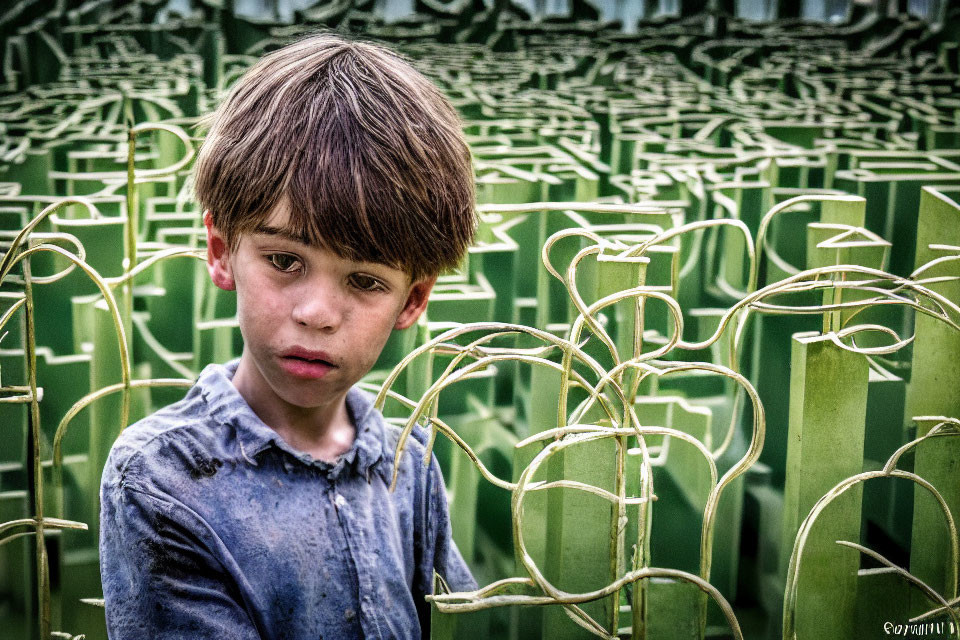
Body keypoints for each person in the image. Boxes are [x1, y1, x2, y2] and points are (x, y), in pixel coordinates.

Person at [98, 32, 478, 640]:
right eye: (284, 261)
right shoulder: (163, 480)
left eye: (363, 280)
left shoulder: (413, 460)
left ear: (413, 300)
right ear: (222, 253)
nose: (317, 313)